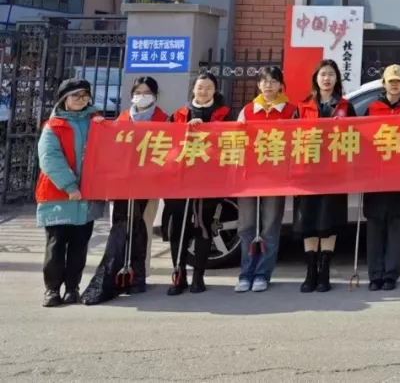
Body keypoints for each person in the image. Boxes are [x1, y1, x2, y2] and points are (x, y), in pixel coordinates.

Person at [83, 78, 169, 304]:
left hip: (149, 184)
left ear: (155, 95)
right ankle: (118, 270)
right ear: (132, 95)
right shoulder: (122, 119)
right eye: (138, 92)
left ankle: (139, 274)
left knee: (142, 227)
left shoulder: (164, 120)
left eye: (147, 92)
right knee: (121, 226)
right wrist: (101, 125)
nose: (142, 96)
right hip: (122, 183)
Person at [36, 78, 106, 307]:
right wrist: (69, 186)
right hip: (59, 194)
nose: (80, 99)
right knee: (56, 244)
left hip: (88, 194)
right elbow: (50, 159)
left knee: (79, 245)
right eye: (75, 95)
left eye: (85, 95)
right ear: (64, 99)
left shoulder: (97, 122)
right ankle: (52, 290)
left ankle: (72, 288)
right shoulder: (53, 126)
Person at [166, 71, 231, 296]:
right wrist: (186, 131)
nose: (204, 91)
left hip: (209, 179)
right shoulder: (179, 114)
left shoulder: (224, 114)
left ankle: (198, 277)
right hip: (180, 180)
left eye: (209, 88)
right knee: (178, 228)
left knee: (203, 225)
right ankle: (179, 275)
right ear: (193, 89)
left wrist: (207, 131)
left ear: (215, 90)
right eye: (200, 87)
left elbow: (230, 143)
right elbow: (166, 143)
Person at [235, 66, 298, 292]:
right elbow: (236, 141)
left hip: (276, 178)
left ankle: (262, 273)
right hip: (249, 178)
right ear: (258, 85)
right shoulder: (248, 110)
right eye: (264, 81)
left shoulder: (291, 111)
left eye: (273, 81)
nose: (268, 85)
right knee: (247, 226)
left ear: (281, 85)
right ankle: (245, 273)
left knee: (270, 227)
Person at [296, 60, 355, 293]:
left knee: (329, 222)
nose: (327, 79)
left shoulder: (346, 106)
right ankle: (310, 272)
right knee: (309, 222)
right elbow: (290, 137)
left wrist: (344, 128)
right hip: (308, 173)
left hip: (334, 173)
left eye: (331, 74)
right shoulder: (303, 107)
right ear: (316, 78)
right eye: (322, 74)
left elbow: (357, 137)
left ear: (337, 78)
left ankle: (325, 273)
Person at [364, 64, 400, 291]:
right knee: (375, 226)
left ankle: (390, 275)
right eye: (391, 81)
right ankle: (374, 275)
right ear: (383, 83)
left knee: (396, 226)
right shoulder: (371, 108)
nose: (394, 85)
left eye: (398, 81)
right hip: (376, 177)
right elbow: (360, 139)